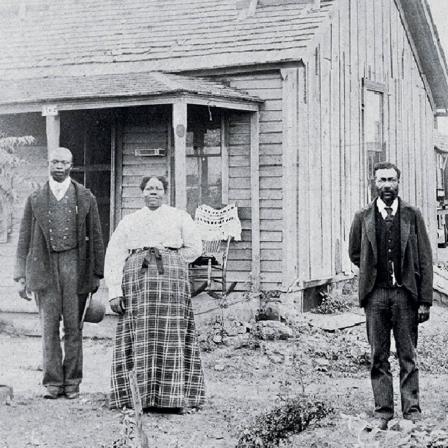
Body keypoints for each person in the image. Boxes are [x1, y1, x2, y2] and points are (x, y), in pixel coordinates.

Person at [105, 175, 205, 412]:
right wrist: (114, 290)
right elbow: (115, 254)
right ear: (142, 192)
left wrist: (172, 259)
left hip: (171, 282)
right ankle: (134, 398)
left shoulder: (179, 216)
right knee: (139, 333)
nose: (154, 192)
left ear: (165, 192)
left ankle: (173, 398)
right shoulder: (130, 220)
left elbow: (195, 247)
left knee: (172, 333)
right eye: (149, 188)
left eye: (158, 188)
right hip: (137, 283)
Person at [14, 146, 104, 400]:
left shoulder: (85, 197)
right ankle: (53, 382)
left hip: (75, 266)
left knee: (74, 327)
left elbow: (96, 236)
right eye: (55, 162)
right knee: (49, 327)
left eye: (64, 163)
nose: (59, 167)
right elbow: (23, 239)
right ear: (48, 164)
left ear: (71, 166)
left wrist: (97, 273)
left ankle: (73, 382)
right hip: (44, 267)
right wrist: (20, 276)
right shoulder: (35, 199)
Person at [349, 161, 433, 430]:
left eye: (391, 180)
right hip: (375, 297)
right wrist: (373, 274)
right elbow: (355, 253)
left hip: (405, 296)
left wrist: (424, 300)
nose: (387, 185)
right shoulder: (362, 217)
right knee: (378, 355)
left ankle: (412, 409)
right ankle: (383, 411)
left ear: (399, 182)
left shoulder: (412, 215)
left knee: (408, 355)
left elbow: (425, 259)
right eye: (381, 180)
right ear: (373, 183)